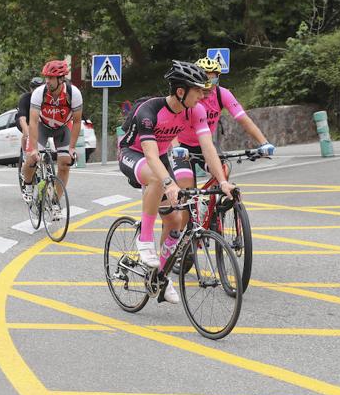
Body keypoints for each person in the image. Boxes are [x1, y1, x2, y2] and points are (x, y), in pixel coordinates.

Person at [117, 61, 236, 303]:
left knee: (174, 222)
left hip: (159, 157)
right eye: (198, 91)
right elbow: (149, 155)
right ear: (181, 92)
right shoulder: (149, 111)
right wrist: (170, 183)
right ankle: (145, 240)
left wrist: (223, 182)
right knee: (157, 179)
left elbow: (207, 148)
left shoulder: (196, 110)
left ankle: (159, 277)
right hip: (133, 153)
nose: (204, 95)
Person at [171, 55, 275, 187]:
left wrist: (263, 143)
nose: (208, 87)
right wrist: (176, 147)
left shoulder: (222, 94)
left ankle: (213, 205)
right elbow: (171, 122)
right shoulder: (187, 96)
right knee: (186, 187)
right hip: (182, 147)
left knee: (222, 173)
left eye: (213, 81)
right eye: (204, 82)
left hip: (206, 145)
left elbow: (244, 120)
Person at [21, 60, 82, 206]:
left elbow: (77, 122)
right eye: (46, 77)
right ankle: (27, 184)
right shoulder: (39, 93)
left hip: (62, 128)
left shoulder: (74, 94)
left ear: (61, 79)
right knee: (31, 158)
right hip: (42, 126)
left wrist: (72, 148)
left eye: (50, 78)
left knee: (65, 163)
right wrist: (34, 148)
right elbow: (34, 122)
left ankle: (55, 201)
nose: (47, 81)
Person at [16, 76, 44, 170]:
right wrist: (28, 134)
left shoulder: (46, 98)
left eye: (39, 89)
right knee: (27, 132)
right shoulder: (25, 98)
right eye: (34, 89)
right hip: (25, 120)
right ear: (30, 89)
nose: (36, 91)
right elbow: (22, 119)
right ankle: (24, 155)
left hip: (38, 120)